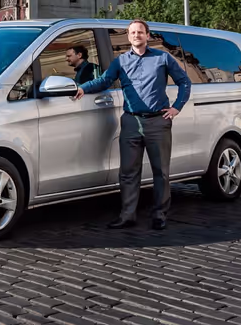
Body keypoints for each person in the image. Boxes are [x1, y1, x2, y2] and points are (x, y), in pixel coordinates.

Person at [74, 19, 191, 231]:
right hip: (130, 122)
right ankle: (127, 216)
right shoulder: (121, 61)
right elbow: (104, 81)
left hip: (158, 121)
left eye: (140, 32)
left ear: (147, 35)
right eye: (132, 32)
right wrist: (83, 88)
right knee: (128, 172)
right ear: (128, 37)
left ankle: (159, 215)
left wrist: (176, 108)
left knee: (161, 172)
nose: (136, 35)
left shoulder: (162, 58)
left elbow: (185, 81)